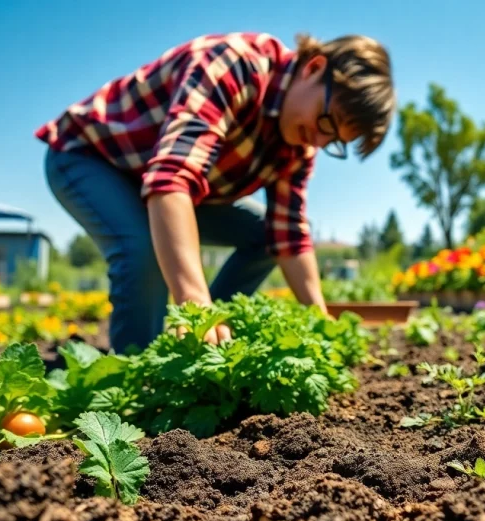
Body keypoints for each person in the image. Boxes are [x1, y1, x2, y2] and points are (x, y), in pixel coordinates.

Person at [35, 32, 396, 354]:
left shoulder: (297, 145)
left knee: (265, 235)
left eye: (333, 141)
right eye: (326, 120)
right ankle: (136, 375)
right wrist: (194, 304)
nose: (319, 141)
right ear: (314, 68)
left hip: (166, 185)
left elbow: (287, 235)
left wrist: (319, 319)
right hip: (91, 157)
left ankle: (206, 346)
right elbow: (171, 178)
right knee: (140, 248)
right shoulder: (236, 64)